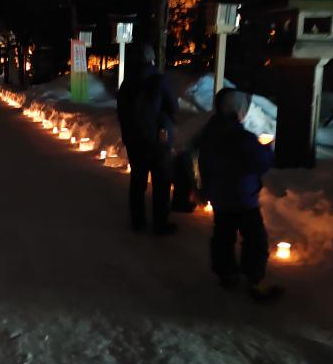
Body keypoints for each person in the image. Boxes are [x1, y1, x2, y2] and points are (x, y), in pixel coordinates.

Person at [196, 88, 283, 302]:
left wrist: (204, 189)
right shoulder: (241, 137)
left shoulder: (210, 132)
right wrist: (267, 149)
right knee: (255, 239)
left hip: (219, 196)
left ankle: (226, 274)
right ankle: (254, 281)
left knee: (223, 236)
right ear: (238, 110)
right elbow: (260, 163)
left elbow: (203, 162)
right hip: (243, 198)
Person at [117, 44, 178, 235]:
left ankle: (138, 220)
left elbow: (121, 112)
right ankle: (160, 223)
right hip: (158, 140)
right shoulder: (159, 80)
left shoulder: (127, 84)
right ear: (152, 60)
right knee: (161, 182)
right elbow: (173, 107)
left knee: (138, 180)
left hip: (135, 140)